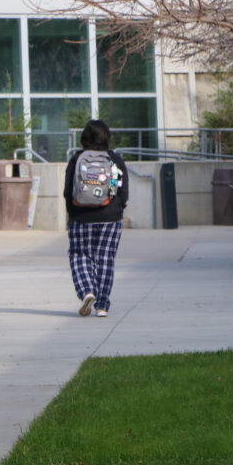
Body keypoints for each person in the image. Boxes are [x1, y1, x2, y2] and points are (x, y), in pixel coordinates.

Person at [63, 119, 128, 318]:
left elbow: (68, 191)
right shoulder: (114, 160)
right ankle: (102, 306)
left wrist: (72, 215)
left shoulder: (76, 159)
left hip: (81, 217)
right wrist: (117, 209)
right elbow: (121, 190)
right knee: (105, 259)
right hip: (110, 217)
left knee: (80, 255)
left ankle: (87, 290)